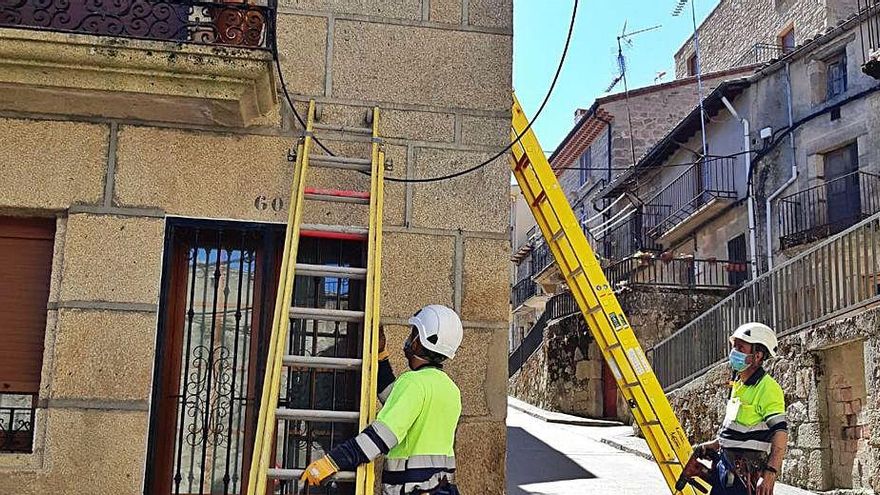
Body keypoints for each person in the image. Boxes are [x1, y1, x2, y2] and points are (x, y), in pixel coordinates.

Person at [301, 304, 464, 495]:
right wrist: (381, 356)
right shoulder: (451, 390)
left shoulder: (413, 383)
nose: (409, 340)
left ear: (420, 342)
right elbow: (396, 402)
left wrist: (331, 462)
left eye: (413, 334)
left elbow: (378, 438)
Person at [691, 322, 788, 495]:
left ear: (757, 356)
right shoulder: (738, 384)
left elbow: (780, 433)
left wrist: (770, 473)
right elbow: (735, 428)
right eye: (734, 346)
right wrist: (713, 445)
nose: (733, 352)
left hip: (746, 478)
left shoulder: (768, 388)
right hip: (725, 471)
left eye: (740, 347)